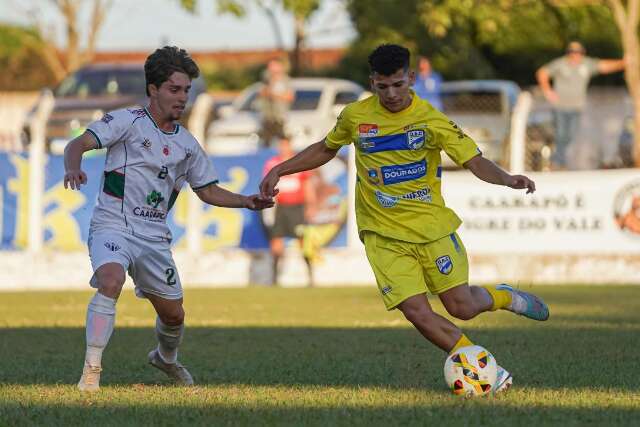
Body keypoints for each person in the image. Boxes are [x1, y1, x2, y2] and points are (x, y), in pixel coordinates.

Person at [261, 44, 549, 393]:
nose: (392, 94)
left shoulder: (431, 119)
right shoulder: (355, 116)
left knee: (462, 307)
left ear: (411, 78)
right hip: (382, 234)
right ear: (372, 83)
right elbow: (325, 148)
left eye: (399, 84)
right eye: (383, 87)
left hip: (431, 229)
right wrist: (281, 169)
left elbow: (474, 160)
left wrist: (506, 178)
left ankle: (504, 297)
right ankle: (484, 370)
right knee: (415, 310)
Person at [64, 46, 273, 392]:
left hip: (153, 238)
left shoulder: (188, 145)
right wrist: (73, 166)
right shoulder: (125, 121)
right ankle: (91, 371)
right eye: (175, 90)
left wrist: (247, 202)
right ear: (153, 90)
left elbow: (208, 191)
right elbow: (78, 144)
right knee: (111, 280)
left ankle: (165, 358)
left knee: (174, 315)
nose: (182, 98)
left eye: (186, 91)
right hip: (112, 224)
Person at [536, 41, 625, 169]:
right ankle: (558, 162)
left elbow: (603, 66)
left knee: (570, 135)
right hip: (560, 107)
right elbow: (542, 72)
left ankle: (561, 161)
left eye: (578, 52)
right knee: (561, 134)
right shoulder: (560, 64)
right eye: (572, 52)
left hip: (576, 107)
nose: (575, 55)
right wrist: (547, 90)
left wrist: (623, 63)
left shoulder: (586, 64)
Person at [262, 137, 315, 286]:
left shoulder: (299, 163)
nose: (283, 148)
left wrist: (310, 206)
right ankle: (274, 278)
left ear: (290, 146)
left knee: (303, 241)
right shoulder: (272, 164)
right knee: (276, 241)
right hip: (280, 209)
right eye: (281, 145)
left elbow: (307, 185)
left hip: (297, 207)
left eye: (286, 145)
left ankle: (310, 276)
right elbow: (267, 185)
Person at [257, 59, 294, 147]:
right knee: (266, 141)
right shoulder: (266, 80)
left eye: (273, 66)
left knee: (283, 140)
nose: (271, 69)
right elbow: (261, 93)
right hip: (268, 116)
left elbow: (289, 97)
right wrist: (271, 83)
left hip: (280, 116)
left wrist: (273, 94)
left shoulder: (285, 80)